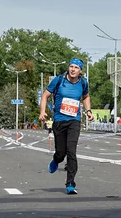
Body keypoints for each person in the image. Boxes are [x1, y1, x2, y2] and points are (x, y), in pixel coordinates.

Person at [39, 58, 93, 195]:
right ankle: (56, 160)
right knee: (61, 153)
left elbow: (86, 97)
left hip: (74, 121)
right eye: (71, 66)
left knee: (71, 151)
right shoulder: (59, 80)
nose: (73, 69)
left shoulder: (83, 82)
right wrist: (42, 111)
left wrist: (88, 111)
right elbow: (45, 95)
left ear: (80, 71)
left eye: (76, 67)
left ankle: (70, 183)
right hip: (59, 120)